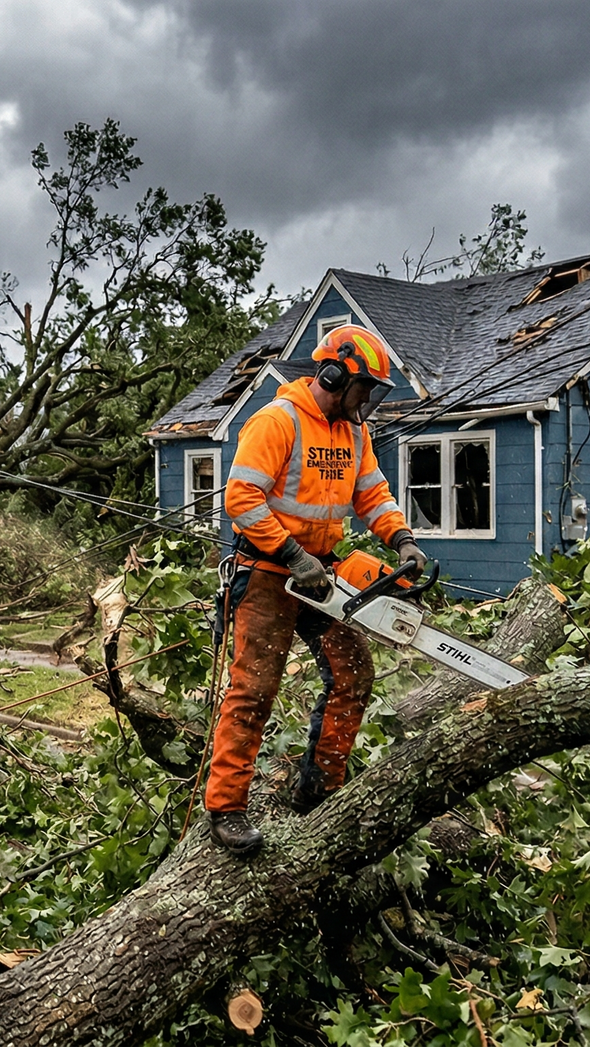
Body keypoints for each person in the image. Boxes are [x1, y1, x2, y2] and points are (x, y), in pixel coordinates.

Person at [206, 324, 427, 855]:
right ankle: (226, 808)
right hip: (266, 572)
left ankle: (321, 786)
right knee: (254, 689)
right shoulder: (276, 421)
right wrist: (291, 555)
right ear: (334, 375)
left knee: (353, 671)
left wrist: (403, 539)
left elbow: (372, 493)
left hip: (321, 573)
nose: (368, 400)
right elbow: (242, 499)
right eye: (364, 388)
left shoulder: (353, 432)